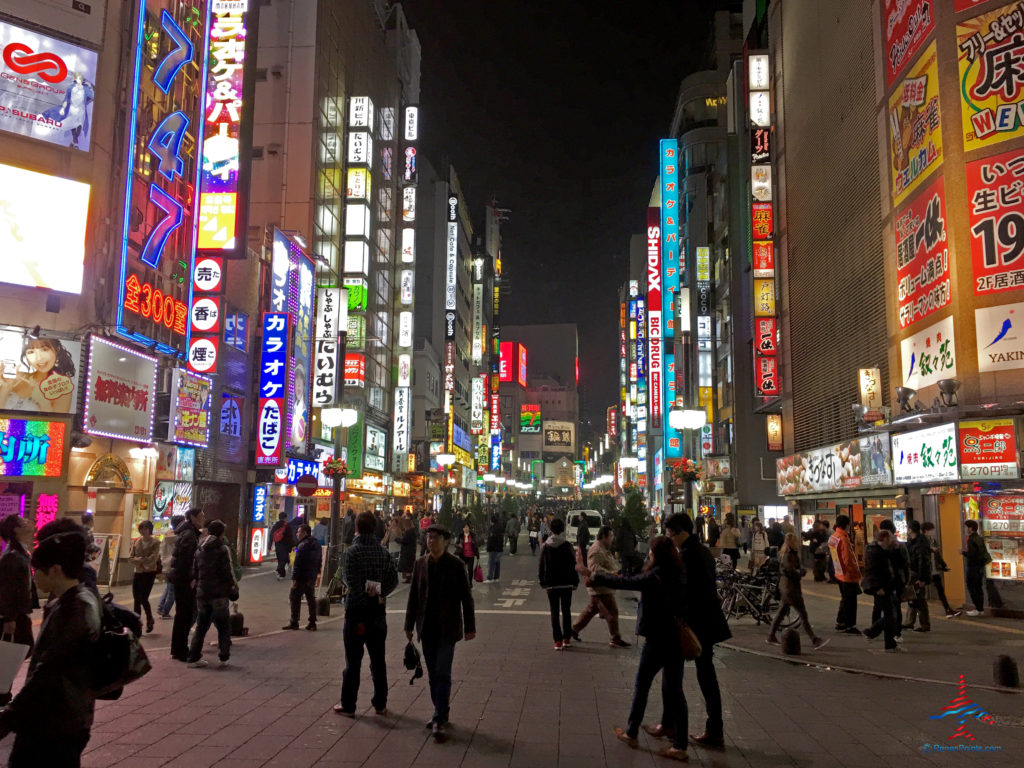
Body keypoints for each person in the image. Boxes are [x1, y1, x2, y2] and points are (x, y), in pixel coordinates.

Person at [578, 536, 689, 762]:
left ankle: (632, 732)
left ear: (657, 554)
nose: (648, 554)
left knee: (642, 685)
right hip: (676, 638)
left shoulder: (655, 576)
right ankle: (680, 744)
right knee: (676, 691)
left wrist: (599, 575)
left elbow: (627, 582)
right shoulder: (678, 573)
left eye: (651, 551)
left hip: (657, 638)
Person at [0, 520, 101, 766]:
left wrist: (10, 717)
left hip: (54, 719)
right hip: (69, 714)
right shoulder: (81, 598)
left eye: (39, 572)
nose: (35, 579)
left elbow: (50, 670)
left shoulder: (72, 607)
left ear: (55, 569)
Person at [665, 512, 731, 751]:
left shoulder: (686, 556)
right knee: (707, 676)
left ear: (681, 530)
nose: (669, 537)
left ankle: (686, 730)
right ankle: (714, 729)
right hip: (710, 622)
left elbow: (685, 592)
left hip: (696, 624)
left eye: (671, 533)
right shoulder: (702, 552)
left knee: (689, 676)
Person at [405, 525, 476, 739]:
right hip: (426, 628)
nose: (430, 541)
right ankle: (441, 711)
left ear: (445, 541)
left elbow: (466, 597)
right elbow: (413, 598)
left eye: (435, 538)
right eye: (428, 538)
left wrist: (470, 627)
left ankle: (438, 718)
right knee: (433, 674)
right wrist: (408, 625)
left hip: (448, 628)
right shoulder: (420, 564)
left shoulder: (456, 565)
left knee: (443, 672)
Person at [334, 512, 399, 717]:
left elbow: (350, 583)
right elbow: (393, 580)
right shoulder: (383, 553)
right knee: (378, 660)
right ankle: (380, 703)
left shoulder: (351, 553)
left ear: (357, 528)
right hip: (378, 614)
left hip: (356, 614)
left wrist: (363, 598)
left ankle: (349, 704)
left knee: (353, 661)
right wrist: (379, 595)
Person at [186, 519, 237, 668]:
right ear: (221, 533)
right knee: (223, 626)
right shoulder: (222, 549)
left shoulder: (200, 548)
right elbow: (227, 572)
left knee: (201, 626)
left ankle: (193, 658)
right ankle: (224, 657)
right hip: (219, 593)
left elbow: (195, 570)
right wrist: (232, 587)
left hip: (202, 592)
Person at [571, 525, 630, 648]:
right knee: (612, 611)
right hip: (601, 587)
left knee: (591, 609)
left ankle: (574, 629)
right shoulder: (596, 550)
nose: (612, 539)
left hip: (603, 586)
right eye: (611, 536)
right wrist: (611, 573)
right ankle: (615, 638)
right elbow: (595, 569)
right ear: (603, 536)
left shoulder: (603, 548)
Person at [768, 533, 828, 649]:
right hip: (790, 589)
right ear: (791, 542)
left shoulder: (791, 553)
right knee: (803, 614)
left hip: (788, 588)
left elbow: (795, 568)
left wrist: (801, 570)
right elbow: (790, 570)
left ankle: (771, 635)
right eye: (795, 540)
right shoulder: (787, 554)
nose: (797, 542)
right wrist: (799, 572)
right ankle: (814, 639)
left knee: (781, 613)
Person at [0, 515, 35, 706]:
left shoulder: (20, 552)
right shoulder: (12, 556)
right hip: (14, 616)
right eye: (23, 522)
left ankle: (4, 693)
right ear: (16, 530)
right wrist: (9, 618)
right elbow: (8, 589)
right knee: (11, 652)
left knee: (15, 651)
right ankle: (3, 695)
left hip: (19, 614)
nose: (29, 523)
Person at [168, 507, 205, 662]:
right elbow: (186, 560)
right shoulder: (189, 535)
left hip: (179, 579)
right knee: (185, 614)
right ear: (193, 518)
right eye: (201, 516)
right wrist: (191, 578)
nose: (203, 519)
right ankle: (181, 650)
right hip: (183, 580)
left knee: (182, 615)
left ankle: (178, 648)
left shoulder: (187, 532)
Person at [538, 518, 579, 650]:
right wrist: (575, 581)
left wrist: (542, 581)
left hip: (551, 584)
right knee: (566, 611)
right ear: (562, 529)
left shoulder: (546, 546)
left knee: (554, 612)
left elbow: (541, 565)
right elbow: (574, 564)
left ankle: (557, 641)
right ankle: (566, 638)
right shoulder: (567, 545)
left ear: (551, 530)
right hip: (566, 583)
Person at [862, 529, 899, 652]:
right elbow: (872, 572)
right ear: (885, 539)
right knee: (890, 615)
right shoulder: (875, 552)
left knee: (889, 615)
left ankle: (886, 642)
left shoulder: (882, 551)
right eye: (890, 538)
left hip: (885, 587)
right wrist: (878, 588)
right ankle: (875, 635)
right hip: (881, 588)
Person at [284, 524, 321, 631]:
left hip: (301, 577)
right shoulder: (316, 544)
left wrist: (294, 579)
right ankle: (312, 622)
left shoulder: (302, 545)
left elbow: (297, 564)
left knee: (294, 597)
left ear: (305, 533)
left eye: (299, 532)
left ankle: (294, 621)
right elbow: (319, 561)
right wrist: (316, 573)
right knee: (311, 599)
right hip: (311, 577)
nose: (297, 534)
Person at [828, 514, 862, 634]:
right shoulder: (843, 538)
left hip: (838, 573)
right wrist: (856, 573)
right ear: (847, 525)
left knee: (845, 599)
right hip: (848, 575)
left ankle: (840, 621)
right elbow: (847, 559)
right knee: (851, 601)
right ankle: (849, 625)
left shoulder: (834, 537)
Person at [877, 519, 909, 640]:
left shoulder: (879, 546)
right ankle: (894, 633)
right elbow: (906, 564)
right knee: (893, 608)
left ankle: (889, 632)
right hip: (895, 581)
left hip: (890, 582)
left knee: (890, 608)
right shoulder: (899, 545)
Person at [921, 522, 960, 618]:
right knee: (918, 592)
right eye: (931, 530)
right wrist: (930, 550)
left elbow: (937, 555)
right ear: (926, 530)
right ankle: (915, 611)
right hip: (925, 570)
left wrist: (942, 564)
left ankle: (948, 610)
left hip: (934, 570)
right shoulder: (921, 541)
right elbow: (921, 553)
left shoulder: (932, 540)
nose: (933, 532)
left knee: (940, 590)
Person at [129, 520, 160, 633]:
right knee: (137, 599)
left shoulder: (155, 542)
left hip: (149, 573)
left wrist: (141, 560)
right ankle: (137, 624)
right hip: (138, 572)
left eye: (145, 528)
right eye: (141, 528)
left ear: (150, 529)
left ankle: (149, 618)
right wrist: (138, 560)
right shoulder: (137, 542)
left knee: (143, 598)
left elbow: (154, 557)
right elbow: (131, 557)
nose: (143, 531)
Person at [902, 520, 932, 633]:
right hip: (913, 573)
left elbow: (923, 561)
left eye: (907, 528)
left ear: (910, 529)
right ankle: (909, 622)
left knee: (919, 599)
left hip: (918, 574)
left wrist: (922, 578)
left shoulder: (920, 543)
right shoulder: (913, 541)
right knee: (912, 597)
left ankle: (924, 624)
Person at [961, 519, 991, 616]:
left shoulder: (971, 540)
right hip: (980, 567)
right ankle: (980, 609)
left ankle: (978, 609)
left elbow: (972, 555)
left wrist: (963, 553)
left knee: (972, 587)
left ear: (970, 528)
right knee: (978, 588)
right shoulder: (979, 538)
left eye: (966, 527)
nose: (964, 529)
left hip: (973, 568)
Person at [156, 515, 183, 619]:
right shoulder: (180, 537)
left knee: (168, 588)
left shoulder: (166, 535)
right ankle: (165, 611)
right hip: (173, 565)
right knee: (172, 591)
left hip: (166, 565)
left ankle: (161, 607)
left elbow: (161, 551)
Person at [270, 512, 295, 580]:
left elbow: (271, 535)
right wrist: (293, 545)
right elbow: (290, 536)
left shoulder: (275, 525)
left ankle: (282, 574)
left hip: (278, 544)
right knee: (284, 559)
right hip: (286, 544)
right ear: (285, 517)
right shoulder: (287, 525)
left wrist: (269, 546)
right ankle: (279, 571)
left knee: (280, 559)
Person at [455, 523, 479, 589]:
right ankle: (463, 582)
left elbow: (476, 545)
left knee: (470, 570)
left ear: (469, 528)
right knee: (462, 570)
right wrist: (458, 545)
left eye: (467, 527)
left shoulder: (473, 535)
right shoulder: (460, 535)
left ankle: (470, 583)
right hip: (462, 555)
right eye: (464, 527)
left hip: (471, 556)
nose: (466, 528)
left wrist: (477, 555)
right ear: (463, 529)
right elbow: (456, 544)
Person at [398, 516, 418, 583]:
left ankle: (408, 578)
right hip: (411, 550)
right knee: (409, 564)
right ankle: (409, 577)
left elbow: (404, 541)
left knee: (406, 564)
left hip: (407, 551)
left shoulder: (408, 532)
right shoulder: (413, 531)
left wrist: (397, 539)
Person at [485, 514, 504, 582]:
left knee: (491, 563)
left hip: (493, 548)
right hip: (499, 547)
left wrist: (488, 547)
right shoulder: (500, 527)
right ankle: (496, 577)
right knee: (497, 562)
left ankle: (490, 577)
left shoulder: (492, 528)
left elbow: (491, 539)